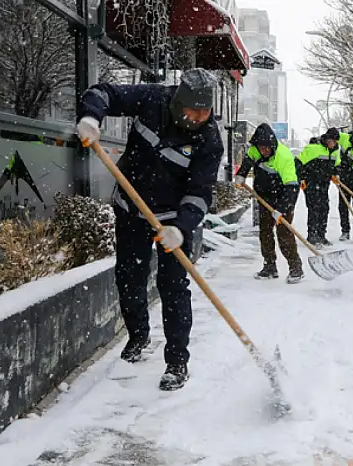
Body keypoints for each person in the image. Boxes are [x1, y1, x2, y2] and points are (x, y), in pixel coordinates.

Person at [75, 68, 223, 391]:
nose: (200, 117)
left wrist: (182, 229)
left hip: (171, 220)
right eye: (194, 110)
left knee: (173, 286)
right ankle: (138, 336)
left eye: (206, 111)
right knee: (129, 277)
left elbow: (200, 192)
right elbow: (104, 93)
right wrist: (91, 118)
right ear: (179, 102)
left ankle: (177, 361)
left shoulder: (209, 140)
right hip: (131, 208)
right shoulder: (154, 99)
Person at [234, 124, 304, 283]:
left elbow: (292, 187)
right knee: (265, 232)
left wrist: (281, 209)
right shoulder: (255, 150)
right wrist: (241, 174)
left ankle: (296, 268)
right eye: (261, 148)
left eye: (267, 148)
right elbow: (247, 160)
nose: (264, 151)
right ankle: (270, 266)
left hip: (284, 197)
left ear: (273, 145)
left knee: (284, 233)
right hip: (264, 197)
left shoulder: (283, 157)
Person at [297, 128, 340, 247]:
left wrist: (335, 174)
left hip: (324, 184)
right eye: (331, 141)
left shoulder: (335, 152)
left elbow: (336, 165)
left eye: (335, 142)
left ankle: (321, 235)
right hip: (310, 182)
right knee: (314, 208)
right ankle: (312, 235)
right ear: (326, 139)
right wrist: (301, 178)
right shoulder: (314, 149)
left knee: (324, 208)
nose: (333, 144)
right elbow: (299, 163)